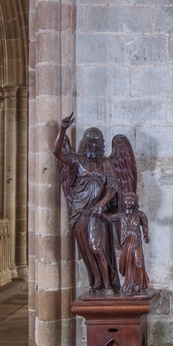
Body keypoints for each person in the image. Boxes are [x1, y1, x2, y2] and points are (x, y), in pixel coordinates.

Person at [54, 115, 120, 293]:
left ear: (100, 144)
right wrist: (63, 129)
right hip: (79, 209)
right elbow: (57, 152)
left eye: (96, 142)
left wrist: (101, 204)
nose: (93, 145)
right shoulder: (77, 159)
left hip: (96, 212)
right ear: (85, 142)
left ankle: (107, 283)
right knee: (86, 250)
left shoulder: (105, 162)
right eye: (90, 141)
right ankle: (97, 281)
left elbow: (113, 186)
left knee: (96, 247)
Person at [116, 192, 150, 295]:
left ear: (135, 201)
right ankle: (129, 286)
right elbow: (108, 218)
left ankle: (140, 285)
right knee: (129, 264)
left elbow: (145, 225)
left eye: (131, 200)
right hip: (127, 243)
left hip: (136, 243)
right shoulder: (121, 216)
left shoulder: (140, 214)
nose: (128, 202)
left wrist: (146, 235)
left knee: (138, 263)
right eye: (126, 200)